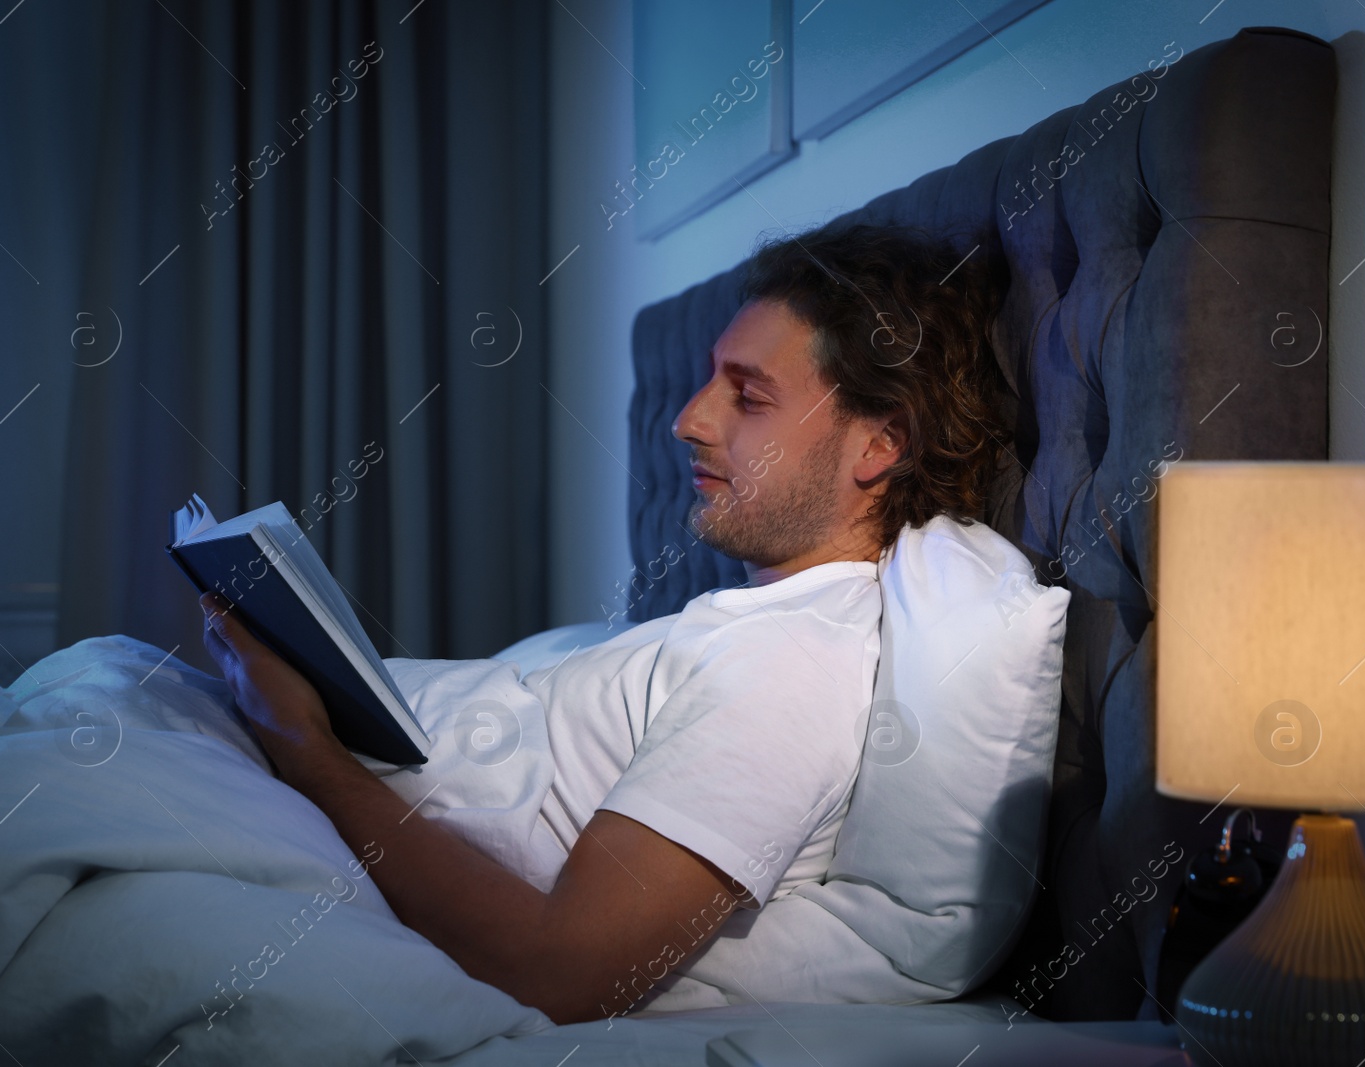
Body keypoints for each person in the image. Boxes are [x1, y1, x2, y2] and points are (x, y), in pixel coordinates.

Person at [199, 222, 1007, 1024]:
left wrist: (304, 745)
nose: (688, 420)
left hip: (288, 798)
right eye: (706, 382)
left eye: (749, 395)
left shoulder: (792, 663)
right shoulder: (748, 622)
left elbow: (560, 970)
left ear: (880, 443)